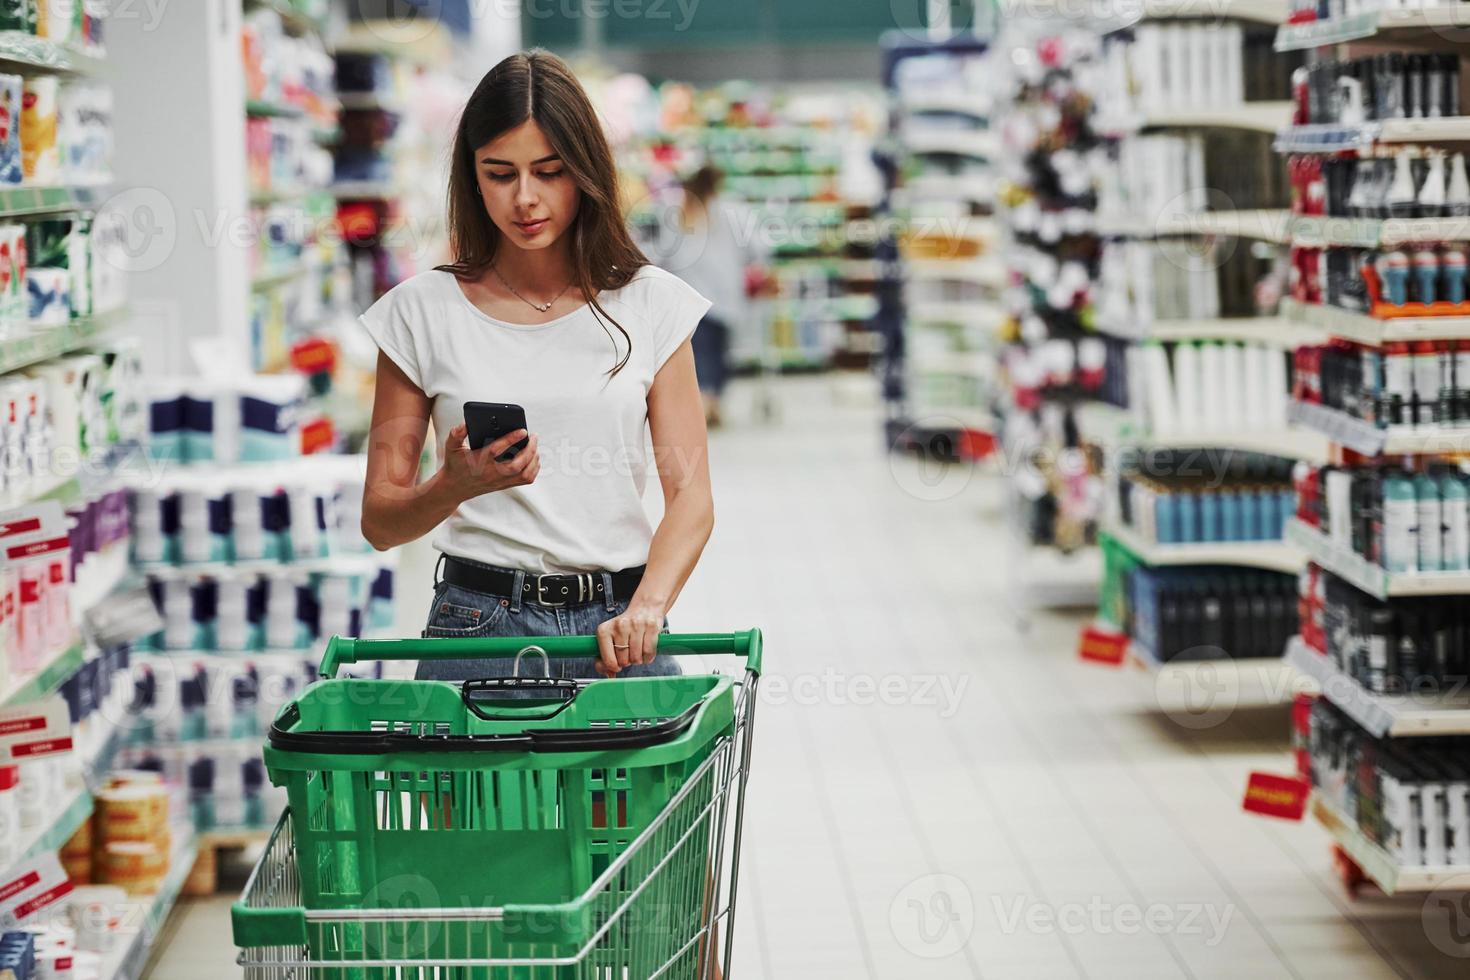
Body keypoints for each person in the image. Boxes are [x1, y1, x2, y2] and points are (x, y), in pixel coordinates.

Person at [357, 50, 715, 682]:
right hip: (478, 630)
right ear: (471, 176)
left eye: (549, 172)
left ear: (585, 172)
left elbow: (691, 495)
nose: (525, 199)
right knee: (479, 789)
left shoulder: (650, 303)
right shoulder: (419, 313)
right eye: (500, 174)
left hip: (619, 629)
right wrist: (454, 484)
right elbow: (381, 521)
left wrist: (649, 608)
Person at [656, 164, 764, 428]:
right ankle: (710, 402)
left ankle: (705, 403)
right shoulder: (733, 210)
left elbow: (661, 255)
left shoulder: (675, 210)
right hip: (724, 296)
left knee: (696, 352)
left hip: (684, 294)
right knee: (718, 351)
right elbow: (758, 248)